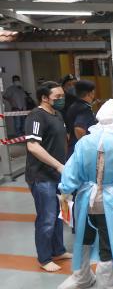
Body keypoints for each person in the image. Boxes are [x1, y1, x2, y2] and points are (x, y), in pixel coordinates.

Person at [57, 99, 113, 289]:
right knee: (109, 240)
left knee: (84, 237)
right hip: (111, 199)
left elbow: (71, 171)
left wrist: (65, 191)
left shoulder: (84, 142)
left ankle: (82, 276)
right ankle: (108, 284)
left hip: (85, 199)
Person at [24, 81, 71, 272]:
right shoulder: (36, 116)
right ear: (44, 98)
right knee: (47, 217)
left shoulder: (57, 114)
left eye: (62, 96)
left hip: (58, 175)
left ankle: (58, 250)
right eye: (57, 97)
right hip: (42, 176)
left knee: (59, 214)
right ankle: (44, 258)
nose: (61, 100)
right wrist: (58, 165)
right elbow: (33, 146)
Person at [65, 80, 97, 157]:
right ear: (90, 94)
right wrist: (87, 147)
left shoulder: (74, 106)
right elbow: (79, 129)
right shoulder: (84, 109)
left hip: (73, 149)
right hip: (81, 152)